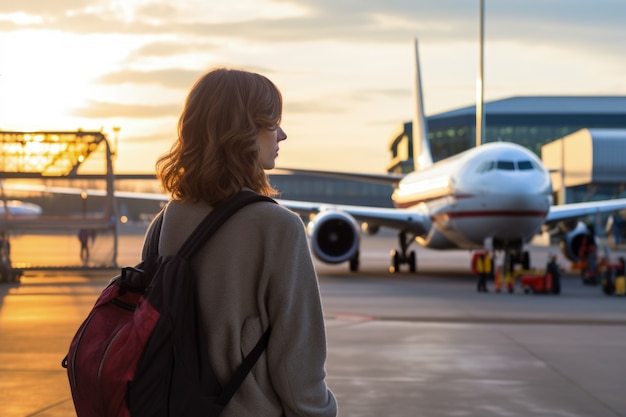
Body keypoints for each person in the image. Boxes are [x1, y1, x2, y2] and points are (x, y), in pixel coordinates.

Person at [144, 68, 337, 417]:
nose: (282, 134)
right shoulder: (279, 228)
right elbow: (298, 371)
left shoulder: (163, 224)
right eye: (273, 122)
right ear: (245, 131)